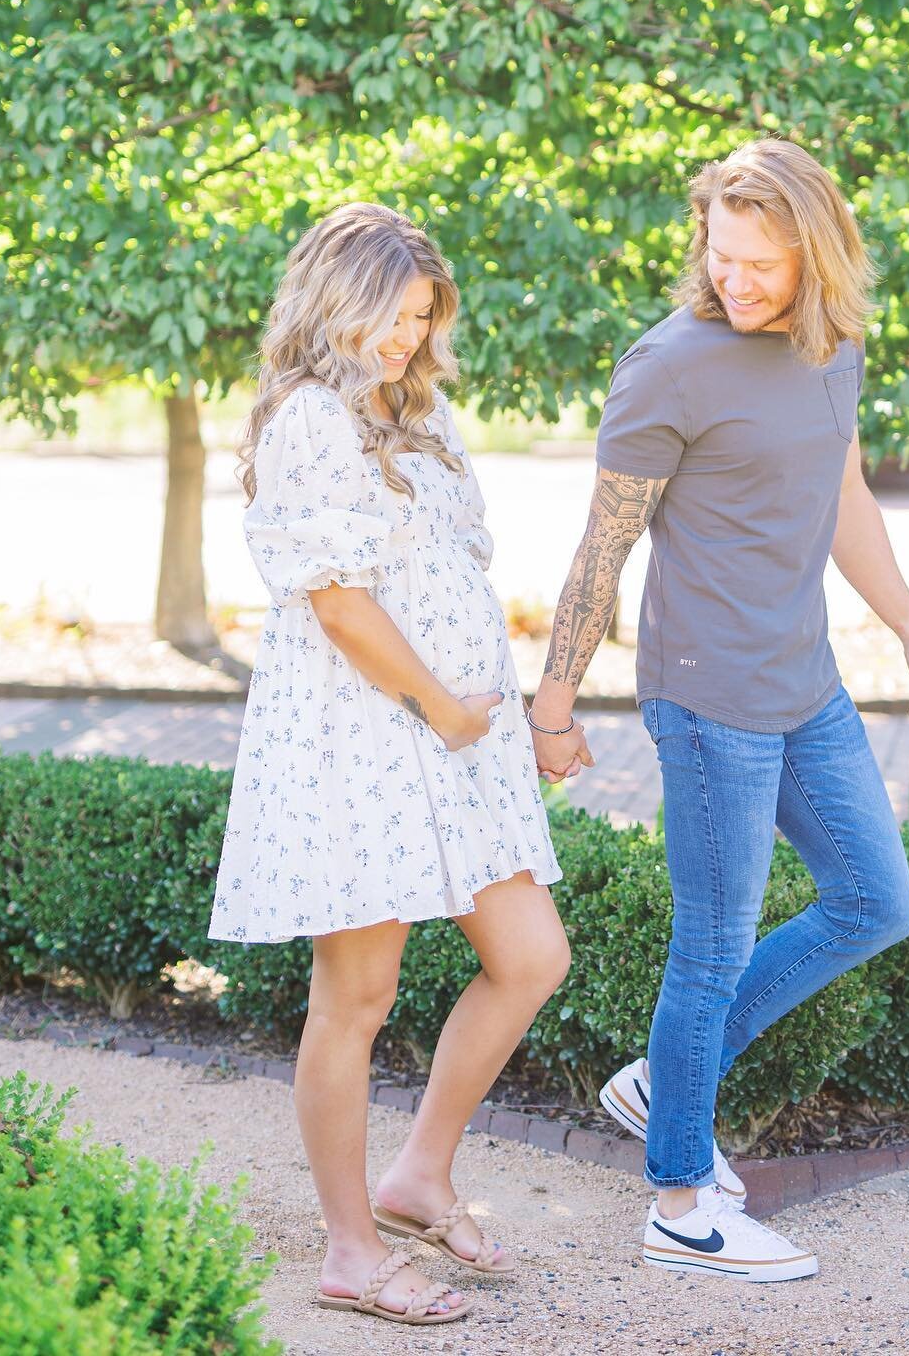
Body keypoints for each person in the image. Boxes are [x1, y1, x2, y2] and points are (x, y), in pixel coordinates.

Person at [527, 139, 909, 1284]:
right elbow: (603, 546)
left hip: (806, 684)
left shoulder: (832, 347)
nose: (737, 280)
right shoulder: (667, 366)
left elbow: (844, 494)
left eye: (762, 262)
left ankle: (670, 1083)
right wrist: (553, 705)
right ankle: (680, 1202)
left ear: (816, 255)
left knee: (877, 900)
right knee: (710, 951)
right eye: (723, 256)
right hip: (708, 698)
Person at [209, 203, 568, 1329]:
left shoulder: (416, 411)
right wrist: (442, 710)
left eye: (422, 317)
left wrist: (496, 720)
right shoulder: (311, 419)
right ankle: (352, 1249)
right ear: (337, 303)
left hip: (455, 740)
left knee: (531, 956)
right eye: (394, 316)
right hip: (364, 741)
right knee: (355, 999)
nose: (409, 337)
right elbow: (339, 603)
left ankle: (418, 1175)